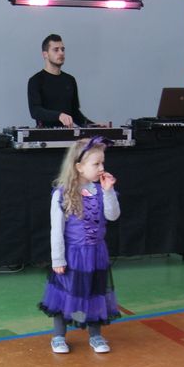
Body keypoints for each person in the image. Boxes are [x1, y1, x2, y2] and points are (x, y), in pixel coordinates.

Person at [38, 136, 121, 353]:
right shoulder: (62, 193)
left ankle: (96, 335)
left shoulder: (100, 190)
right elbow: (56, 230)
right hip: (73, 255)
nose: (101, 168)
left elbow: (113, 215)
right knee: (65, 294)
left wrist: (109, 191)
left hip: (96, 254)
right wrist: (58, 259)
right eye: (96, 164)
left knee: (95, 292)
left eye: (102, 163)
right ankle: (58, 336)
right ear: (79, 167)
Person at [28, 34, 93, 128]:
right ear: (45, 54)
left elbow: (74, 113)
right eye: (56, 50)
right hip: (45, 134)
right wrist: (59, 116)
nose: (61, 53)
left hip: (68, 134)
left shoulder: (70, 80)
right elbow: (35, 111)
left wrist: (94, 126)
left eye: (62, 49)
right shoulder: (35, 81)